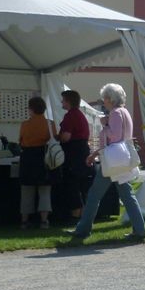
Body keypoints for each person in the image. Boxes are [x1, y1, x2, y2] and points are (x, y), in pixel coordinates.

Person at [68, 83, 145, 242]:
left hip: (113, 162)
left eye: (104, 98)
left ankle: (83, 229)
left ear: (110, 99)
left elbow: (114, 137)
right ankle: (139, 230)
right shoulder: (124, 112)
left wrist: (104, 125)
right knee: (127, 196)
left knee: (94, 196)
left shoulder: (115, 114)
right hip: (120, 161)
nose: (103, 101)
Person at [55, 89, 92, 221]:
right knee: (80, 184)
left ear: (68, 101)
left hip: (74, 153)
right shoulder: (79, 114)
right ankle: (83, 215)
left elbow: (66, 137)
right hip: (82, 151)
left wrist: (56, 136)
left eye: (63, 100)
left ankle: (76, 215)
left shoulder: (70, 115)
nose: (61, 102)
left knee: (72, 184)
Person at [18, 96, 52, 229]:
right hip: (44, 158)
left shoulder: (25, 125)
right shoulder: (50, 124)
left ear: (31, 109)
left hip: (28, 157)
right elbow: (53, 140)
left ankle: (24, 221)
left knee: (26, 190)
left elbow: (20, 141)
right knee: (44, 190)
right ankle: (44, 221)